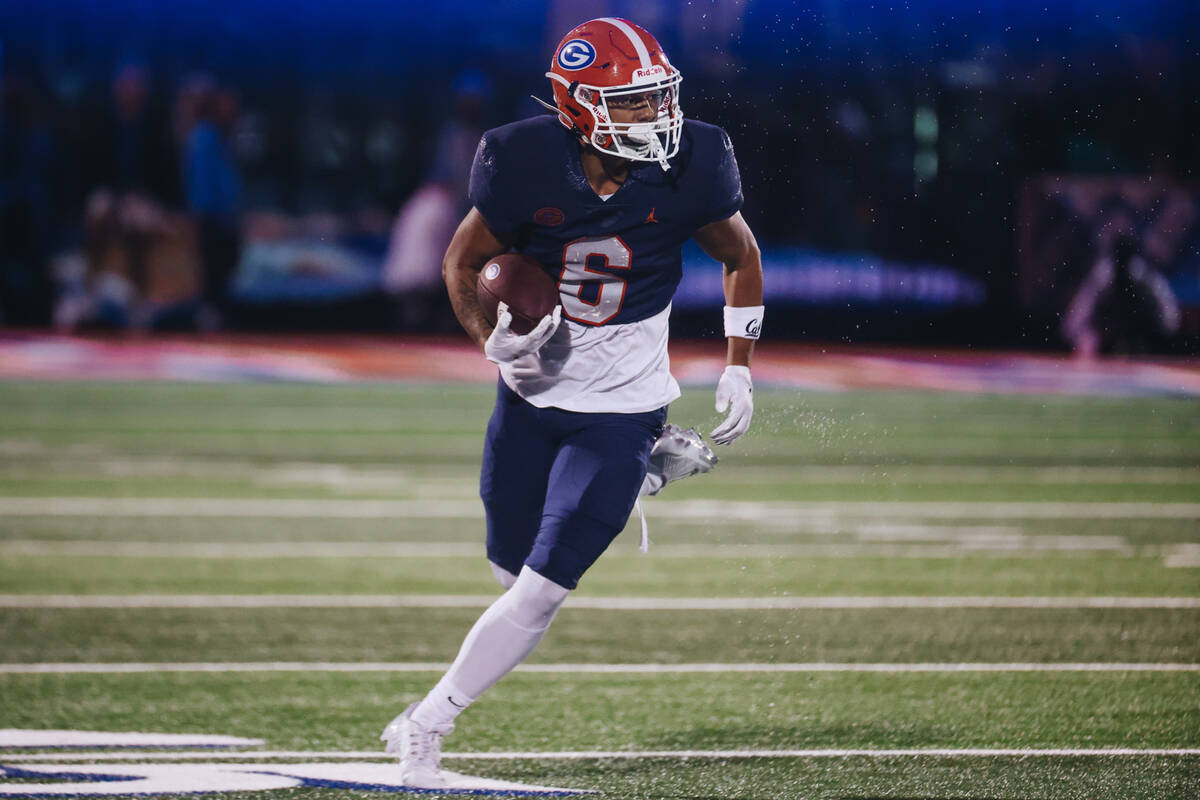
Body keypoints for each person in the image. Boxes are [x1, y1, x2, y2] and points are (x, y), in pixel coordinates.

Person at [380, 18, 764, 788]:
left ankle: (425, 724)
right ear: (578, 108)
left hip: (623, 403)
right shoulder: (521, 161)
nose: (655, 118)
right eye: (631, 104)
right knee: (506, 565)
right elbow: (463, 264)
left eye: (658, 98)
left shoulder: (694, 162)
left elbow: (740, 255)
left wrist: (739, 363)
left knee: (540, 594)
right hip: (528, 396)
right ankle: (645, 477)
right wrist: (493, 339)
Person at [1062, 233, 1181, 358]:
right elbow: (1078, 315)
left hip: (1142, 344)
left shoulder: (1145, 276)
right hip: (1106, 345)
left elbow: (1170, 319)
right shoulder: (1103, 275)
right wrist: (1084, 337)